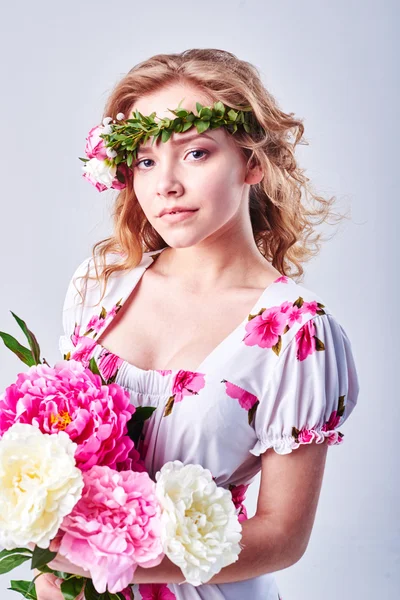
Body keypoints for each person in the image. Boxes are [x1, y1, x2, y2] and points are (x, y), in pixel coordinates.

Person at [34, 48, 360, 600]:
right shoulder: (99, 285)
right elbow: (64, 459)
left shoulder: (297, 332)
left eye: (196, 153)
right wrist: (51, 561)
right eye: (144, 161)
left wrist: (113, 565)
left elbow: (282, 535)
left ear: (251, 162)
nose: (165, 184)